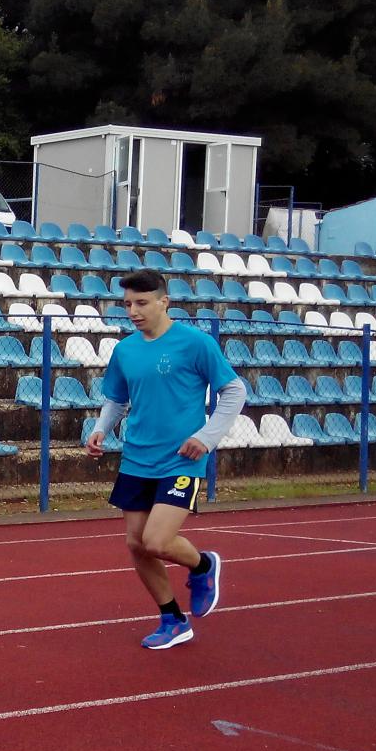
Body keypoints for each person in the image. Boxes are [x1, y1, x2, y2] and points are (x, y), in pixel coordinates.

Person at [86, 269, 246, 650]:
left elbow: (234, 391)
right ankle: (173, 619)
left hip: (181, 459)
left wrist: (206, 437)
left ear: (164, 302)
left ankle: (203, 565)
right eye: (127, 304)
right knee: (136, 544)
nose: (133, 311)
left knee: (157, 540)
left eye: (141, 303)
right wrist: (101, 428)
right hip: (136, 458)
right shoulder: (125, 350)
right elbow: (117, 399)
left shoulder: (195, 343)